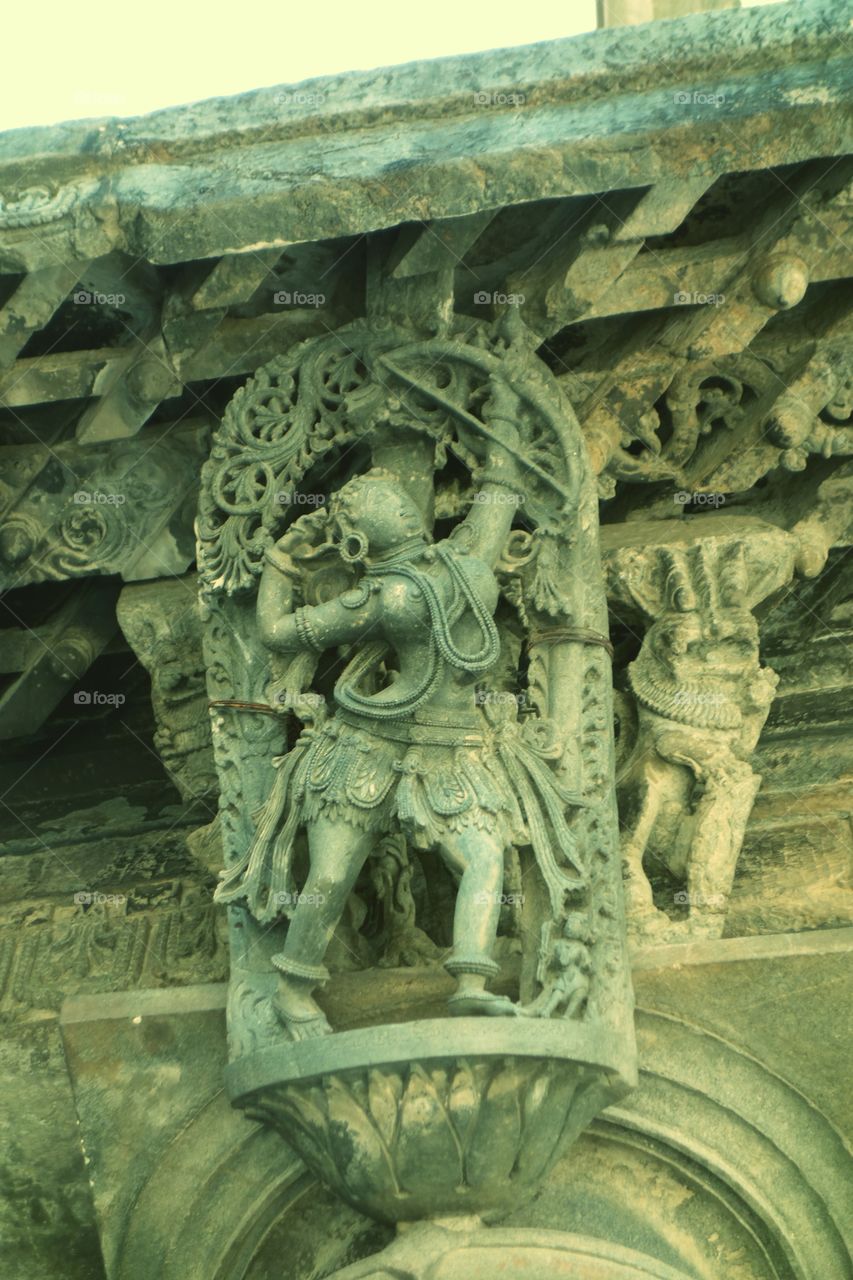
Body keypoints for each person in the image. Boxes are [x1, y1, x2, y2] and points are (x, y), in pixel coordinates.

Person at [216, 393, 583, 1038]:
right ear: (362, 537)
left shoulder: (435, 575)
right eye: (372, 505)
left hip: (453, 746)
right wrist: (502, 415)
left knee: (484, 861)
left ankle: (471, 979)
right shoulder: (434, 577)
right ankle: (295, 990)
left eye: (387, 500)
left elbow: (277, 628)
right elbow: (496, 495)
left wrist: (282, 562)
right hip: (368, 747)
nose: (393, 505)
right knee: (333, 873)